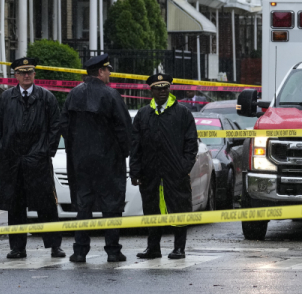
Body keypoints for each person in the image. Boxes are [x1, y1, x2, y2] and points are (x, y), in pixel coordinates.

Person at [58, 53, 133, 263]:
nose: (109, 73)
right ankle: (112, 250)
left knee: (83, 207)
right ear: (100, 71)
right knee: (111, 207)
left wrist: (75, 149)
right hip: (108, 161)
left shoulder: (73, 94)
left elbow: (63, 124)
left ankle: (80, 251)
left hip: (80, 162)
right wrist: (124, 152)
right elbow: (124, 128)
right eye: (107, 70)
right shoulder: (111, 95)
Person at [0, 57, 63, 259]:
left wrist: (47, 151)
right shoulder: (6, 98)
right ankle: (17, 247)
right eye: (22, 72)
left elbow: (55, 127)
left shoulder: (46, 97)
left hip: (38, 161)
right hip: (13, 162)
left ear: (34, 74)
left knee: (46, 205)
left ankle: (54, 245)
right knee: (15, 206)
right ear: (15, 75)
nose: (26, 76)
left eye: (29, 72)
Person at [130, 74, 198, 260]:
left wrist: (184, 166)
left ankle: (179, 248)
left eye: (165, 88)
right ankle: (153, 248)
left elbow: (191, 143)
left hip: (175, 174)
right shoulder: (143, 114)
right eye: (158, 89)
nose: (162, 92)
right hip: (150, 174)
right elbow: (135, 145)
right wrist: (135, 171)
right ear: (151, 91)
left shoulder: (182, 113)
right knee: (151, 210)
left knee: (179, 208)